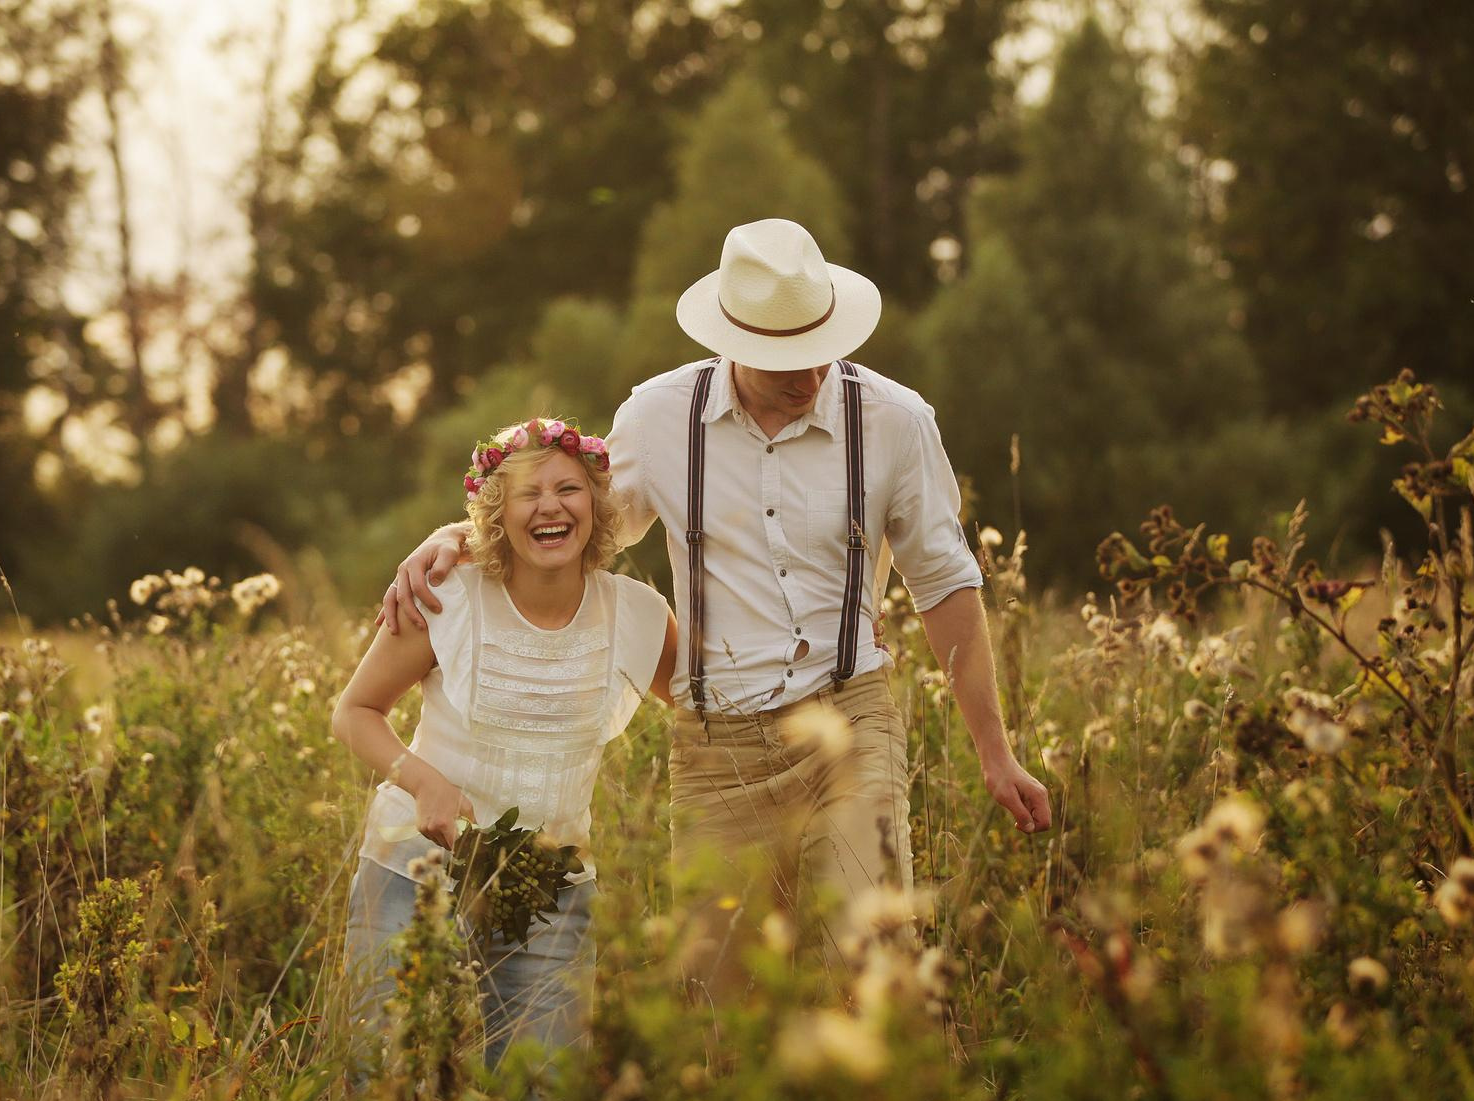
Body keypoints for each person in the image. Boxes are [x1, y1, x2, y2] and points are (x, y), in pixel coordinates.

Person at [383, 218, 1051, 975]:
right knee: (722, 994)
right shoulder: (659, 416)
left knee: (868, 961)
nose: (805, 374)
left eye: (816, 348)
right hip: (717, 741)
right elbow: (572, 521)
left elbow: (946, 585)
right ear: (731, 339)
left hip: (850, 717)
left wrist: (996, 754)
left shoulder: (896, 421)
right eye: (779, 357)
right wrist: (456, 537)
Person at [331, 416, 675, 1095]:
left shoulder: (639, 615)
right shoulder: (446, 597)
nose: (550, 506)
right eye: (527, 493)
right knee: (385, 1093)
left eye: (569, 488)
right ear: (497, 514)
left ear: (599, 506)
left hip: (549, 890)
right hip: (413, 869)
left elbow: (706, 703)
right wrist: (423, 780)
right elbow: (353, 712)